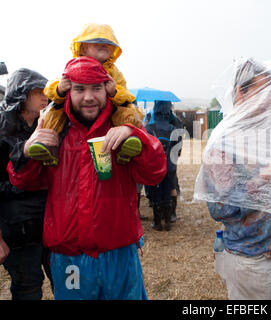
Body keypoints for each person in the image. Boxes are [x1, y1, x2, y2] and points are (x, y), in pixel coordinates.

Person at [7, 57, 167, 300]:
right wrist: (26, 151)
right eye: (80, 89)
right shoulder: (54, 132)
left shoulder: (122, 130)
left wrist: (137, 136)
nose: (89, 97)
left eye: (96, 88)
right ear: (67, 92)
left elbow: (154, 173)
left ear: (108, 90)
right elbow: (22, 182)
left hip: (119, 252)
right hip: (69, 257)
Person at [205, 59, 271, 300]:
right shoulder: (225, 143)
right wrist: (263, 179)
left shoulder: (270, 135)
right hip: (249, 260)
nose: (270, 99)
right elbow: (220, 208)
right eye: (262, 91)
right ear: (241, 92)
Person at [28, 23, 143, 167]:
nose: (104, 45)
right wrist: (59, 89)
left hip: (110, 115)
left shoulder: (114, 72)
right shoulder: (73, 66)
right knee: (53, 112)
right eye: (98, 42)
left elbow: (126, 94)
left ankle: (126, 145)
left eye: (108, 43)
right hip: (75, 126)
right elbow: (50, 87)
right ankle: (48, 146)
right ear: (83, 48)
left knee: (128, 111)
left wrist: (115, 92)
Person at [0, 68, 53, 299]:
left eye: (46, 92)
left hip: (49, 221)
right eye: (38, 92)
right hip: (16, 224)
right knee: (28, 286)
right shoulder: (2, 128)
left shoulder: (46, 124)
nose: (45, 96)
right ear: (21, 94)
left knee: (63, 278)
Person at [144, 101, 181, 231]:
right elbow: (178, 151)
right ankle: (168, 221)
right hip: (170, 167)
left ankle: (157, 222)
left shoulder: (148, 128)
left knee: (155, 192)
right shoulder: (173, 129)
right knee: (168, 190)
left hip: (154, 167)